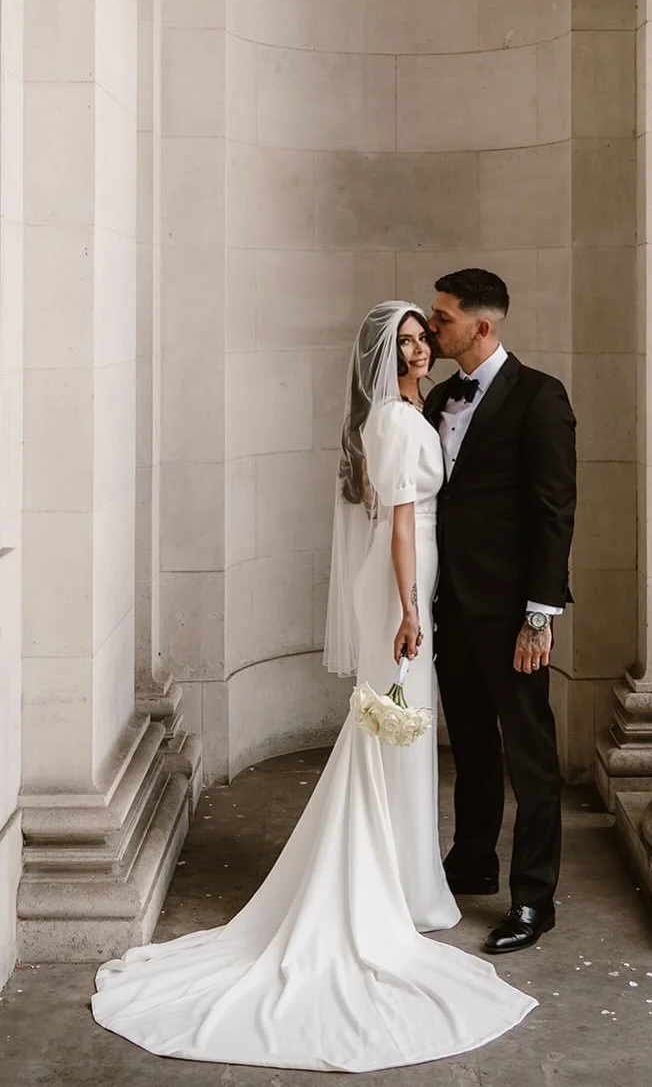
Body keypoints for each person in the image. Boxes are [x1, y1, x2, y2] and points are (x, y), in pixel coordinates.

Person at [91, 302, 536, 1072]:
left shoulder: (395, 413)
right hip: (400, 583)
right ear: (383, 355)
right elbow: (400, 524)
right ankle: (386, 887)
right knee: (394, 724)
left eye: (423, 338)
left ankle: (402, 877)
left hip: (406, 579)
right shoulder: (398, 424)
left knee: (393, 727)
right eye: (406, 342)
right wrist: (407, 610)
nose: (421, 349)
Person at [426, 270, 576, 955]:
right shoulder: (437, 398)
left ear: (481, 326)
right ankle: (471, 860)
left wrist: (538, 617)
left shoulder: (539, 397)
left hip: (513, 612)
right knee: (472, 746)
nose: (433, 329)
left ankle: (532, 899)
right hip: (449, 606)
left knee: (530, 755)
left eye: (443, 317)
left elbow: (552, 511)